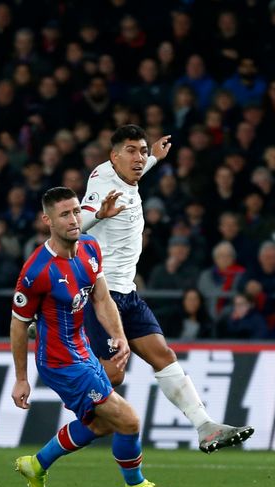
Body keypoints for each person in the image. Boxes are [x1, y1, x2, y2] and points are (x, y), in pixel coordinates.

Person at [77, 124, 252, 453]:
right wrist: (98, 215)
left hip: (127, 295)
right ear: (113, 157)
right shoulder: (103, 183)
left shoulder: (129, 175)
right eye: (131, 151)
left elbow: (140, 166)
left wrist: (154, 156)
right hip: (102, 297)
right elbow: (78, 223)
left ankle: (205, 426)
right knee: (113, 378)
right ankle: (64, 353)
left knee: (164, 356)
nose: (139, 157)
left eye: (142, 151)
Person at [10, 187, 173, 487]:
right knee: (128, 420)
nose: (73, 219)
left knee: (100, 425)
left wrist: (120, 335)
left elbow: (101, 298)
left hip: (83, 351)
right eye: (64, 214)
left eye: (75, 211)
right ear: (48, 220)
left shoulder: (90, 247)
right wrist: (20, 378)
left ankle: (36, 464)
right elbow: (19, 324)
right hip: (60, 363)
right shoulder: (36, 271)